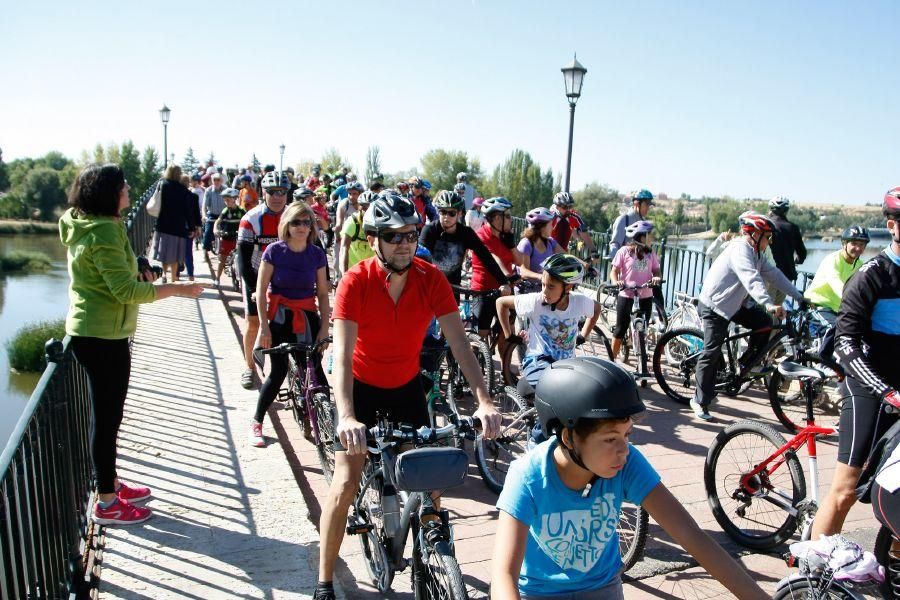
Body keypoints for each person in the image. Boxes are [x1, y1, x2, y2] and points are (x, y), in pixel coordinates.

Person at [313, 192, 502, 600]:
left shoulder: (429, 278)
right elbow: (342, 358)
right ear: (374, 239)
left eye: (410, 235)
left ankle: (431, 559)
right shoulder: (355, 281)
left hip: (405, 386)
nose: (404, 243)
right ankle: (324, 582)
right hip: (360, 386)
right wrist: (346, 416)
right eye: (393, 236)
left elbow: (461, 345)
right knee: (345, 481)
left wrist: (484, 400)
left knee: (430, 484)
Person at [491, 357, 769, 600]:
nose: (624, 450)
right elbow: (503, 575)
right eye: (611, 438)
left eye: (628, 435)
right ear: (569, 437)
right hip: (539, 592)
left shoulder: (625, 463)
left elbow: (690, 535)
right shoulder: (527, 476)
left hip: (601, 587)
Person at [61, 164, 203, 525]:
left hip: (95, 331)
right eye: (122, 184)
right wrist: (178, 289)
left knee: (110, 417)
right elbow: (124, 290)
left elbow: (114, 271)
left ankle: (109, 484)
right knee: (107, 420)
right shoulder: (105, 231)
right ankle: (107, 503)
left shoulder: (87, 222)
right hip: (102, 336)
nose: (128, 188)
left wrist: (138, 262)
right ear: (108, 193)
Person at [810, 189, 900, 541]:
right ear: (892, 226)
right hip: (868, 386)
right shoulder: (871, 276)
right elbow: (845, 345)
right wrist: (886, 392)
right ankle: (812, 577)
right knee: (846, 490)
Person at [691, 211, 804, 420]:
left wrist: (799, 296)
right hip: (715, 306)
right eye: (767, 237)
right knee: (712, 351)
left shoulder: (758, 254)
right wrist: (769, 303)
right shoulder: (740, 250)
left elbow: (775, 275)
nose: (769, 242)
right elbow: (751, 279)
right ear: (754, 234)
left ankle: (745, 365)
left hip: (734, 305)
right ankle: (699, 400)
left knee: (764, 323)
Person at [249, 202, 330, 447]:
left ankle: (324, 421)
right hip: (280, 317)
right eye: (296, 222)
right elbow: (261, 290)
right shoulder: (274, 251)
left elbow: (324, 295)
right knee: (278, 371)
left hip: (307, 317)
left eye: (307, 222)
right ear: (287, 224)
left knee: (315, 373)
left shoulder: (316, 254)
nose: (302, 227)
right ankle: (257, 421)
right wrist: (264, 327)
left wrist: (325, 327)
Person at [497, 254, 601, 388]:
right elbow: (501, 303)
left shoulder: (579, 301)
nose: (544, 291)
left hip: (566, 364)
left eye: (551, 287)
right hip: (537, 361)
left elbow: (597, 308)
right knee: (553, 389)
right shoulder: (536, 301)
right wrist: (508, 335)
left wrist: (583, 335)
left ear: (568, 287)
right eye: (543, 285)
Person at [236, 171, 290, 389]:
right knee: (253, 321)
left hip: (285, 277)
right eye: (272, 192)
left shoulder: (293, 216)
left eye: (282, 192)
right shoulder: (250, 219)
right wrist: (255, 288)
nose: (277, 197)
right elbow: (243, 261)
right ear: (263, 192)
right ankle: (249, 368)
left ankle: (284, 373)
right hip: (256, 274)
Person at [418, 190, 510, 288]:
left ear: (460, 214)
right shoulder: (429, 230)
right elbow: (419, 258)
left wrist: (504, 282)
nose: (446, 217)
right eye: (443, 212)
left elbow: (486, 257)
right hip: (429, 285)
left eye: (452, 213)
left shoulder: (466, 233)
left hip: (453, 288)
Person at [803, 225, 870, 360]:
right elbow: (838, 286)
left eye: (862, 245)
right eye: (854, 243)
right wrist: (856, 303)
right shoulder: (832, 260)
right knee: (835, 329)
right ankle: (823, 362)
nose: (858, 248)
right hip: (818, 306)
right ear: (844, 243)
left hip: (840, 309)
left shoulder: (860, 265)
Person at [471, 197, 525, 346]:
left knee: (507, 332)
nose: (511, 219)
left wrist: (512, 244)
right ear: (495, 218)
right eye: (507, 216)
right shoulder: (481, 236)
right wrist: (508, 276)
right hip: (484, 290)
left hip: (505, 289)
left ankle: (506, 369)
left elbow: (519, 261)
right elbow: (494, 260)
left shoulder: (504, 237)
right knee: (480, 335)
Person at [609, 220, 662, 362]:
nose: (652, 237)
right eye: (649, 234)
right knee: (620, 329)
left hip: (645, 296)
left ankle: (641, 360)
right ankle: (610, 362)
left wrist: (656, 278)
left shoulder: (650, 254)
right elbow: (614, 271)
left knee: (642, 329)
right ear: (641, 236)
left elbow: (656, 270)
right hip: (626, 295)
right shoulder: (624, 252)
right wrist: (616, 281)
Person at [153, 164, 201, 282]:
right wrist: (191, 228)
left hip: (163, 225)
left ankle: (164, 274)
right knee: (175, 255)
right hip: (178, 227)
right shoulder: (183, 190)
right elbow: (188, 211)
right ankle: (173, 277)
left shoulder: (163, 185)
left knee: (164, 252)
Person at [767, 196, 807, 301]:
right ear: (786, 210)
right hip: (786, 276)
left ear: (771, 209)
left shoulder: (766, 226)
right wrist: (796, 261)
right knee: (778, 308)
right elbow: (802, 253)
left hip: (768, 274)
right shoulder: (793, 228)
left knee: (766, 309)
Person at [516, 207, 563, 292]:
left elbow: (566, 257)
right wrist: (542, 277)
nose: (553, 228)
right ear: (542, 227)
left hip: (543, 290)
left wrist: (584, 265)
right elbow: (523, 272)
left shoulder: (550, 242)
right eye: (551, 224)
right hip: (527, 292)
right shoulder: (526, 244)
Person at [332, 181, 365, 280]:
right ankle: (338, 283)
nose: (351, 196)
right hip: (344, 235)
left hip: (359, 237)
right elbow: (339, 222)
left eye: (354, 194)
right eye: (349, 193)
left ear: (360, 194)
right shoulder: (344, 203)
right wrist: (337, 232)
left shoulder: (364, 205)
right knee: (338, 263)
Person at [213, 188, 245, 285]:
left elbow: (247, 222)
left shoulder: (241, 211)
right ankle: (217, 279)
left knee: (243, 258)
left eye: (228, 199)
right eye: (225, 200)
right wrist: (215, 229)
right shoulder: (225, 211)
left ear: (234, 199)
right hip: (227, 238)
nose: (226, 202)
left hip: (238, 238)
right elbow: (218, 221)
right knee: (222, 258)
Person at [608, 189, 654, 257]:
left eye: (649, 205)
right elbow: (615, 244)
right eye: (646, 205)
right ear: (636, 204)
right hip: (623, 265)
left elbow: (646, 247)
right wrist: (615, 259)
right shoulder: (623, 219)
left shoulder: (644, 223)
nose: (648, 208)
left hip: (639, 265)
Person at [340, 190, 376, 272]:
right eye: (365, 208)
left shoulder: (379, 222)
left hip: (372, 270)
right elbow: (344, 248)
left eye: (372, 208)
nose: (369, 211)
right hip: (354, 270)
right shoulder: (352, 222)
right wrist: (344, 274)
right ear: (359, 207)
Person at [201, 172, 226, 252]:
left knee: (229, 233)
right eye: (214, 180)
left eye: (218, 180)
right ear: (212, 181)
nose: (216, 182)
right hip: (212, 214)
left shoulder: (226, 190)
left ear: (221, 181)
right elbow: (204, 206)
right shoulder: (208, 191)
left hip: (223, 215)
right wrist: (204, 216)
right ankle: (205, 252)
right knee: (208, 233)